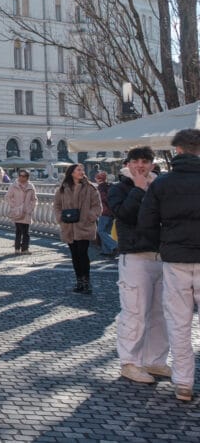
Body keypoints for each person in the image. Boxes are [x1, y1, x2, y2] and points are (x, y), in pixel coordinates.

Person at [138, 129, 200, 402]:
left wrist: (163, 245)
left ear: (177, 151)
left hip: (175, 260)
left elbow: (146, 224)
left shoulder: (162, 185)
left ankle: (184, 383)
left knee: (179, 324)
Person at [108, 146, 169, 386]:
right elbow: (124, 214)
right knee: (134, 312)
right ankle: (130, 363)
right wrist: (139, 189)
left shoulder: (161, 186)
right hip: (134, 256)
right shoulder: (119, 188)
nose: (141, 166)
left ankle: (156, 360)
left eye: (146, 161)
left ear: (152, 164)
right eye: (137, 161)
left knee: (160, 314)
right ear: (129, 164)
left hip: (162, 256)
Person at [54, 163, 102, 294]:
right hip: (68, 226)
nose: (82, 172)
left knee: (83, 253)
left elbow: (97, 206)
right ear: (72, 173)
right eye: (78, 170)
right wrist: (60, 217)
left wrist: (89, 216)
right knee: (74, 255)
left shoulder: (90, 188)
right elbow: (57, 206)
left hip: (84, 226)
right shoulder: (62, 189)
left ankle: (86, 282)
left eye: (82, 170)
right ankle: (79, 281)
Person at [6, 169, 38, 254]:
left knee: (26, 232)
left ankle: (25, 249)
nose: (21, 177)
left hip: (27, 212)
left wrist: (30, 208)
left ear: (27, 177)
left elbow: (34, 199)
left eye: (24, 176)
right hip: (17, 211)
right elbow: (8, 197)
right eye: (20, 176)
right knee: (18, 231)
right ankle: (17, 248)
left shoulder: (31, 186)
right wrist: (14, 206)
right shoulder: (13, 185)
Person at [95, 171, 118, 257]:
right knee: (107, 231)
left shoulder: (101, 188)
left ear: (98, 179)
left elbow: (102, 200)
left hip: (104, 212)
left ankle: (114, 245)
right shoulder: (110, 187)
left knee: (100, 231)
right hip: (112, 212)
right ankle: (107, 251)